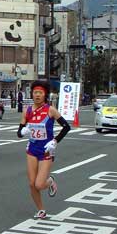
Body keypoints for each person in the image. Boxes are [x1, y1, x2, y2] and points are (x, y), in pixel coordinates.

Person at [17, 79, 71, 220]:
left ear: (45, 94)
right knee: (31, 183)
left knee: (40, 184)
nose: (37, 95)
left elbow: (66, 127)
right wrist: (23, 131)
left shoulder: (50, 110)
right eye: (35, 92)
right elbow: (19, 132)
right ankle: (41, 210)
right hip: (32, 149)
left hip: (47, 150)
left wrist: (55, 141)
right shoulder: (27, 111)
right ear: (32, 94)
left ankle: (50, 181)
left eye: (40, 92)